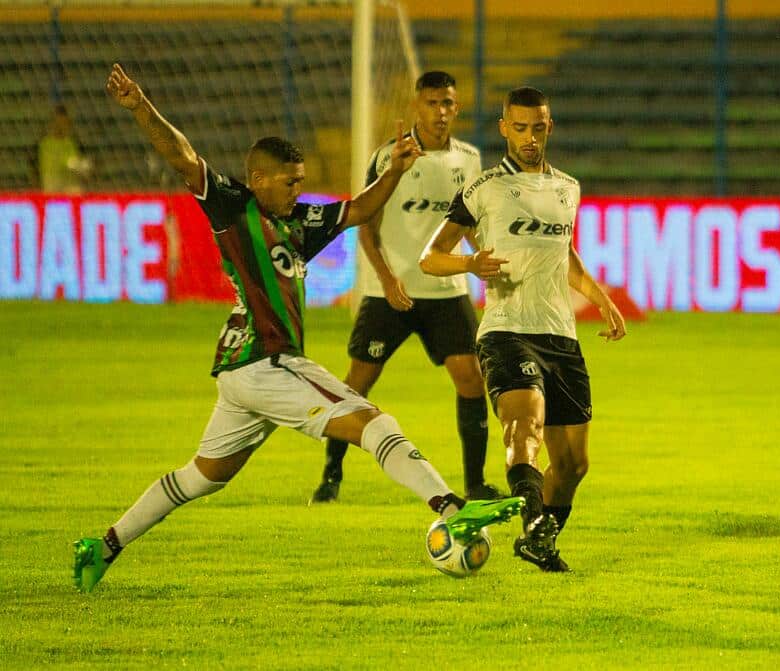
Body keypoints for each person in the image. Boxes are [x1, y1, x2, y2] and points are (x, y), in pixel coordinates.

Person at [72, 64, 524, 593]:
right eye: (290, 183)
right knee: (375, 422)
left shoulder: (300, 223)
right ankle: (452, 509)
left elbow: (359, 210)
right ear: (259, 179)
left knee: (203, 476)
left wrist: (395, 172)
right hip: (268, 361)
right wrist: (139, 107)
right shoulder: (233, 207)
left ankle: (103, 546)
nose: (297, 191)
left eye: (302, 183)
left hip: (239, 372)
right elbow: (182, 155)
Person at [419, 86, 626, 573]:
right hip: (506, 330)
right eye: (519, 128)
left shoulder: (568, 188)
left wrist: (601, 299)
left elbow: (565, 254)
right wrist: (470, 262)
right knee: (524, 424)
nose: (529, 137)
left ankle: (539, 540)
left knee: (573, 464)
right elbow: (430, 257)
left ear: (549, 127)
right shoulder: (485, 188)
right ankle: (533, 522)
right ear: (503, 129)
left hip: (561, 335)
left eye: (537, 128)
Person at [311, 71, 503, 504]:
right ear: (417, 106)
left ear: (456, 107)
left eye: (447, 103)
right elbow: (366, 225)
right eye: (432, 103)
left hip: (446, 291)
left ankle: (475, 483)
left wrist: (481, 261)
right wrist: (386, 278)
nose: (440, 111)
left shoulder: (469, 160)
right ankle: (331, 475)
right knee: (357, 384)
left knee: (471, 379)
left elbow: (468, 224)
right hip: (389, 294)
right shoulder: (390, 156)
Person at [38, 104, 92, 194]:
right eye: (58, 123)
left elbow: (79, 163)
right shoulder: (45, 143)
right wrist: (72, 164)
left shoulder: (72, 142)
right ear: (52, 124)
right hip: (53, 184)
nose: (61, 127)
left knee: (76, 189)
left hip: (70, 184)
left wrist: (82, 166)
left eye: (65, 123)